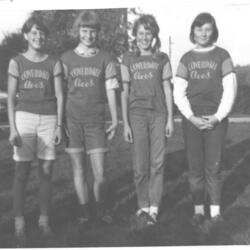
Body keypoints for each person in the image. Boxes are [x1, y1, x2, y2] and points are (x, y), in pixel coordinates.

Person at [173, 12, 237, 228]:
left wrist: (218, 117)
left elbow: (230, 90)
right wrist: (191, 117)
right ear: (193, 32)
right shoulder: (186, 59)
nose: (203, 33)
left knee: (214, 166)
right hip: (192, 119)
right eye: (199, 29)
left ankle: (216, 212)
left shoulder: (223, 55)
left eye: (208, 29)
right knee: (195, 166)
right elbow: (178, 93)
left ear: (214, 31)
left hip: (216, 118)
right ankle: (199, 210)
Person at [8, 16, 64, 244]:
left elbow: (61, 96)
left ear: (45, 36)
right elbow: (11, 97)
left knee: (46, 172)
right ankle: (19, 222)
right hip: (24, 118)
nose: (38, 37)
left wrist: (60, 125)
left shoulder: (54, 62)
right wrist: (12, 128)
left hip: (49, 118)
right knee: (21, 172)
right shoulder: (16, 62)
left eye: (41, 33)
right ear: (26, 35)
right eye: (33, 33)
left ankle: (44, 220)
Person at [61, 10, 118, 225]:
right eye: (84, 30)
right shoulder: (66, 58)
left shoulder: (106, 58)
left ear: (97, 33)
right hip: (72, 121)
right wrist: (60, 123)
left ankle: (102, 210)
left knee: (100, 172)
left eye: (92, 31)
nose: (88, 35)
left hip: (96, 122)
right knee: (79, 169)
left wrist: (114, 118)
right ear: (78, 31)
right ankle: (85, 211)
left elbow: (111, 89)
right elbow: (61, 93)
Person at [120, 14, 174, 226]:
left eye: (148, 33)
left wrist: (170, 119)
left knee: (157, 163)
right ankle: (142, 205)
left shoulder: (162, 59)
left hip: (159, 115)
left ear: (154, 35)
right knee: (140, 166)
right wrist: (125, 123)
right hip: (137, 116)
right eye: (140, 33)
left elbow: (168, 89)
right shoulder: (127, 59)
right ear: (135, 35)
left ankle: (154, 207)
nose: (143, 37)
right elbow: (124, 93)